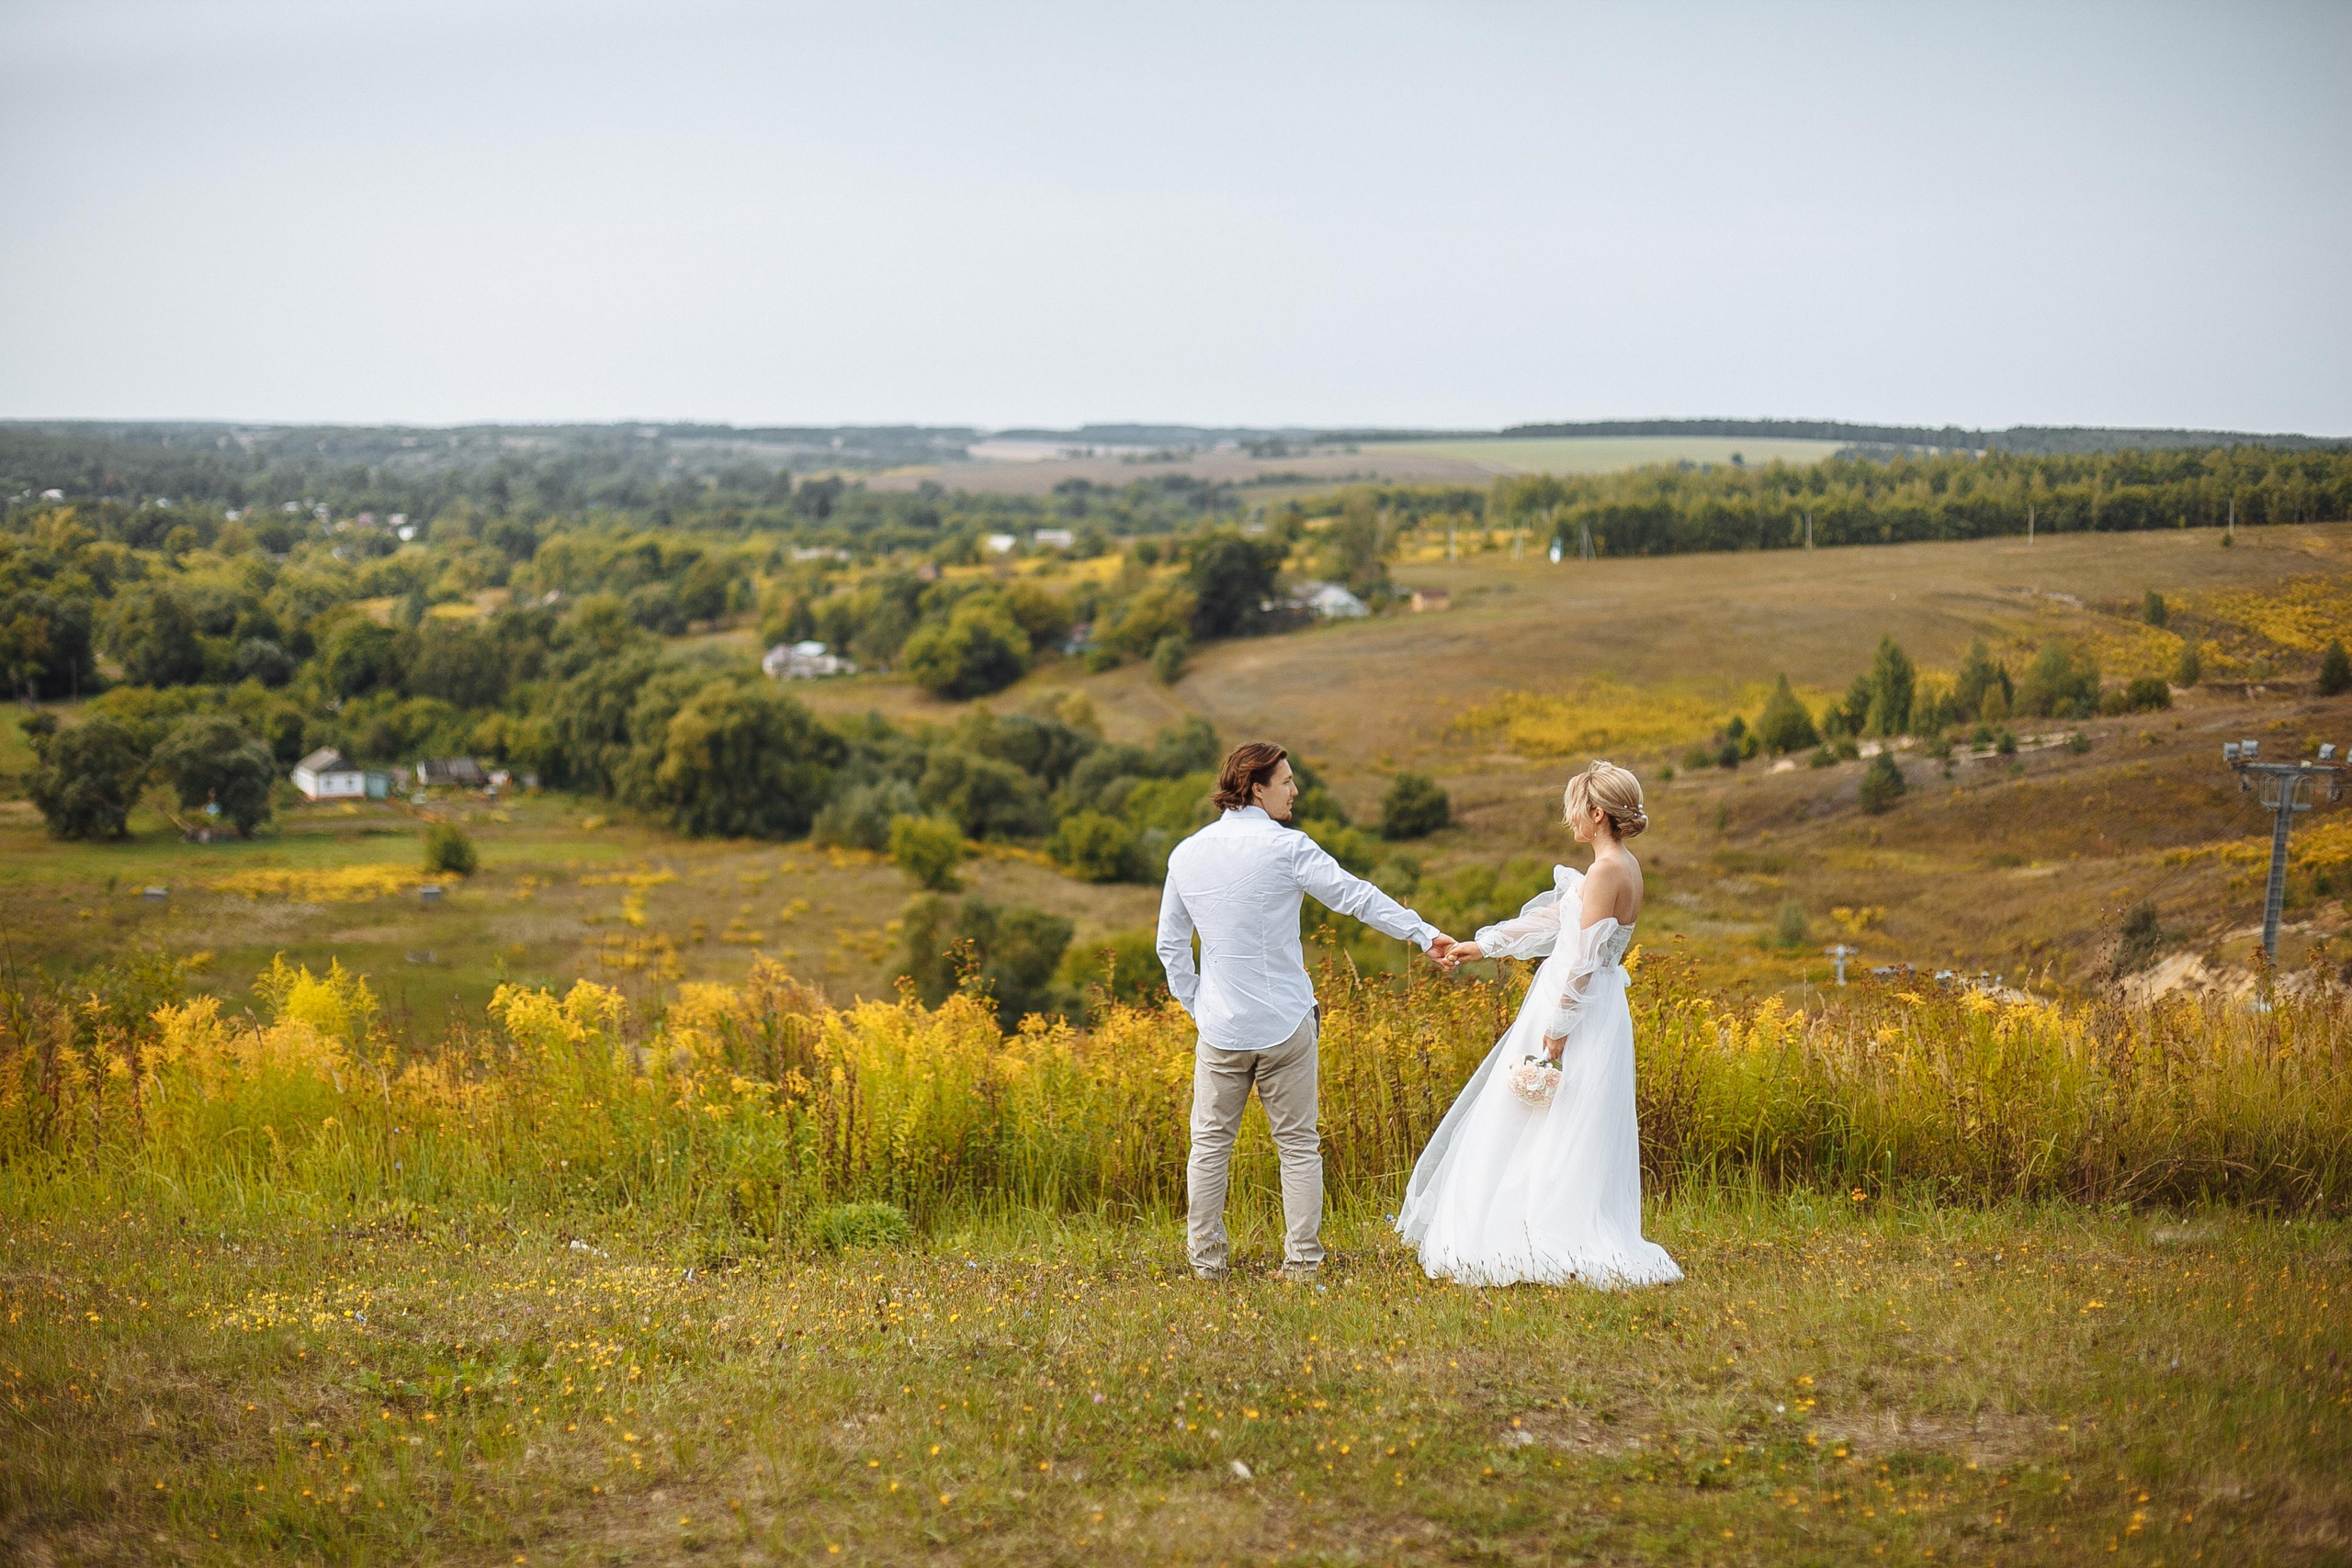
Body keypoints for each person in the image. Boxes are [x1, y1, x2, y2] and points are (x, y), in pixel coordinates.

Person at [1157, 741, 1455, 1282]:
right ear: (1256, 787)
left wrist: (1199, 1006)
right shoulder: (1288, 848)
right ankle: (1302, 1262)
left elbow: (1171, 947)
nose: (1295, 790)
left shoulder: (1186, 854)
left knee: (1209, 1147)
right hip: (1285, 1023)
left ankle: (1206, 1265)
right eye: (1287, 781)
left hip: (1220, 1027)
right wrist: (1425, 934)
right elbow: (1357, 897)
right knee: (1297, 1145)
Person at [1396, 761, 1681, 1288]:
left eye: (1576, 807)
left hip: (1576, 1011)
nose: (1569, 817)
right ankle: (1529, 1220)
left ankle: (1536, 1235)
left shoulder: (1607, 871)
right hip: (1590, 1008)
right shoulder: (1620, 866)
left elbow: (1584, 960)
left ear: (1597, 814)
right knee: (1551, 1118)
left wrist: (1557, 1031)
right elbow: (1555, 923)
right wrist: (1481, 945)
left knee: (1550, 1115)